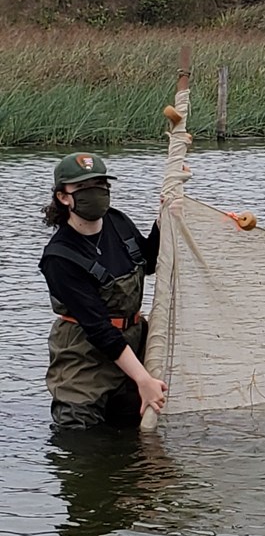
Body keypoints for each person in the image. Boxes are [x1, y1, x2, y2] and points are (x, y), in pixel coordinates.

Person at [40, 152, 168, 431]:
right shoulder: (60, 258)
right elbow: (99, 329)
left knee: (137, 440)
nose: (96, 193)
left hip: (133, 345)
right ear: (64, 197)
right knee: (83, 444)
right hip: (85, 358)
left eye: (101, 185)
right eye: (84, 188)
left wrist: (164, 219)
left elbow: (148, 261)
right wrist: (143, 380)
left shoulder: (117, 221)